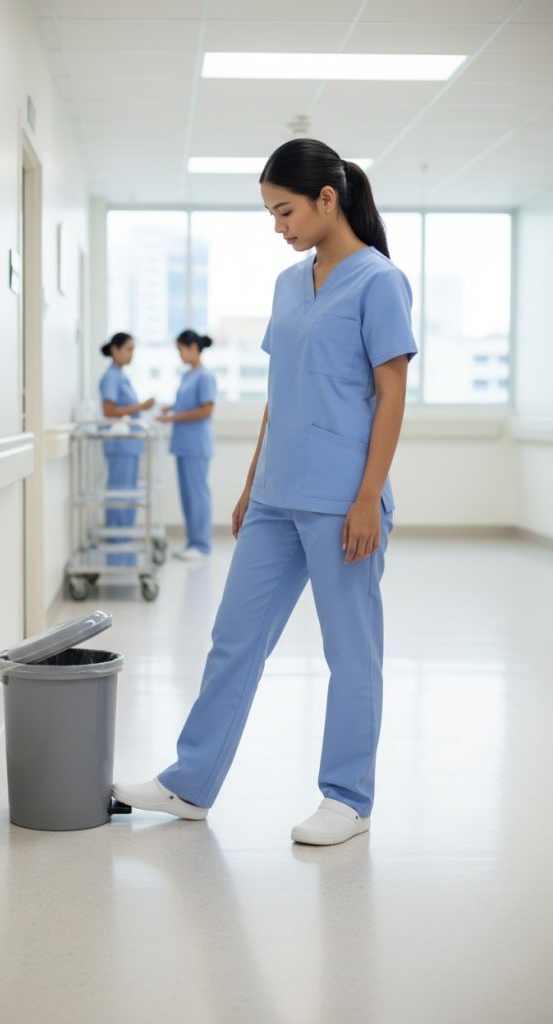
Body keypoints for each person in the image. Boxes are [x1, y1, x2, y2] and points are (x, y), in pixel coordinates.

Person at [114, 139, 418, 845]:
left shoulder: (379, 281)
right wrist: (251, 483)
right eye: (268, 213)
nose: (276, 226)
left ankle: (346, 799)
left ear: (326, 200)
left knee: (350, 652)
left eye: (283, 210)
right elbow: (279, 397)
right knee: (233, 640)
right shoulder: (289, 285)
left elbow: (391, 390)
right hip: (278, 497)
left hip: (343, 499)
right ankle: (190, 783)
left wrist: (369, 495)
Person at [158, 329, 216, 562]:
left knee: (198, 496)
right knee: (187, 497)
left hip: (196, 446)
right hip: (183, 445)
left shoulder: (205, 376)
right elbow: (186, 404)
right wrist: (171, 408)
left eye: (181, 350)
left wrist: (173, 417)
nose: (179, 355)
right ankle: (192, 541)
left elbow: (206, 409)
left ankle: (201, 545)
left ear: (192, 348)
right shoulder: (187, 375)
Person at [98, 332, 154, 567]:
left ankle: (123, 542)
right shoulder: (110, 377)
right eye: (128, 349)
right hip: (120, 446)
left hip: (129, 446)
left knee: (127, 494)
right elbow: (109, 410)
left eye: (133, 349)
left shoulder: (120, 376)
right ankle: (117, 544)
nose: (131, 354)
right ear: (115, 349)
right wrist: (141, 406)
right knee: (120, 495)